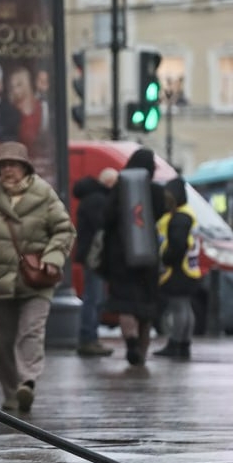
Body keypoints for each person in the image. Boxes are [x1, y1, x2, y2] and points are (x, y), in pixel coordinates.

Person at [0, 141, 74, 412]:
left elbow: (64, 230)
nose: (8, 170)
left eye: (13, 164)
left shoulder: (44, 194)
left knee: (31, 331)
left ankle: (27, 382)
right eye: (3, 165)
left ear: (25, 167)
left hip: (37, 279)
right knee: (3, 341)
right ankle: (11, 394)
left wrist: (53, 259)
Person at [100, 147, 168, 367]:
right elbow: (161, 212)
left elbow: (107, 218)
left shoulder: (120, 187)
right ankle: (142, 352)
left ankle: (130, 341)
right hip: (147, 255)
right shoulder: (156, 191)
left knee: (125, 304)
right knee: (146, 308)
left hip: (120, 256)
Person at [154, 177, 202, 359]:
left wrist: (166, 258)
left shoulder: (179, 218)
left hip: (178, 269)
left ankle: (176, 344)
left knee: (179, 307)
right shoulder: (188, 214)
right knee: (185, 308)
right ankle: (184, 343)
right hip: (190, 268)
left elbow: (177, 245)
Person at [72, 168, 117, 357]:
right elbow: (103, 226)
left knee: (94, 297)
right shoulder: (98, 200)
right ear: (109, 183)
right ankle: (88, 338)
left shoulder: (90, 198)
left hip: (91, 256)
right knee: (94, 298)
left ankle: (90, 337)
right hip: (96, 257)